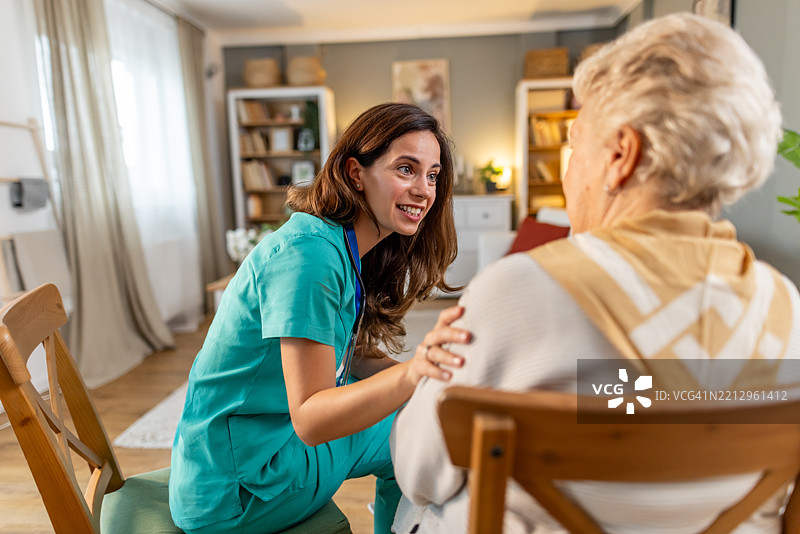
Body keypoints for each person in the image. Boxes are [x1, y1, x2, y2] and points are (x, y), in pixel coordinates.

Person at [391, 12, 800, 534]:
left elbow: (420, 471)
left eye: (574, 143)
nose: (567, 168)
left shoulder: (516, 293)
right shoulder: (788, 307)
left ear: (620, 155)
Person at [169, 102, 470, 534]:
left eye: (433, 174)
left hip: (241, 459)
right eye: (406, 168)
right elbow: (311, 419)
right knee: (420, 438)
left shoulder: (333, 242)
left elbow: (354, 356)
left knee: (417, 414)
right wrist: (415, 375)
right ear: (355, 173)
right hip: (238, 490)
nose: (424, 189)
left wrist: (428, 380)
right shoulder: (309, 257)